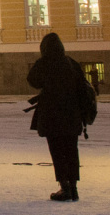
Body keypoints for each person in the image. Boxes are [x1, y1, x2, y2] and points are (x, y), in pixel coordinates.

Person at [27, 32, 96, 202]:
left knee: (57, 152)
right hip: (72, 116)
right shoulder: (71, 63)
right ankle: (73, 188)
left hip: (52, 117)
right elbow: (82, 87)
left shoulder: (45, 63)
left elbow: (32, 80)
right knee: (72, 151)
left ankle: (64, 188)